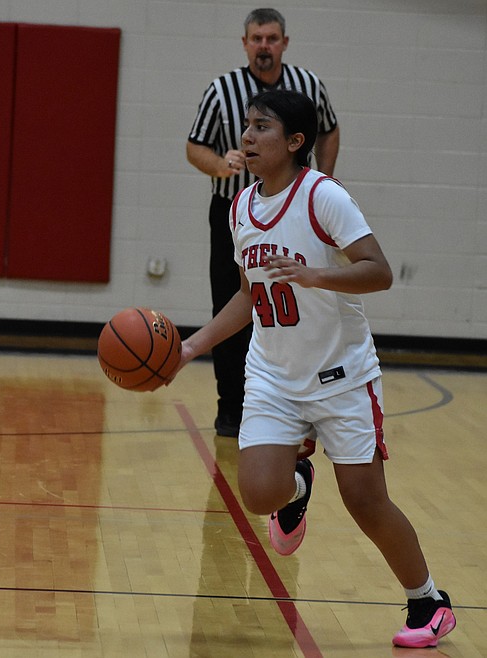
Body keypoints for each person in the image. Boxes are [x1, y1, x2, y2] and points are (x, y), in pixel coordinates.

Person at [174, 88, 456, 648]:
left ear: (294, 141)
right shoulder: (240, 207)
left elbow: (379, 271)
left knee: (365, 500)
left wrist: (316, 275)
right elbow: (248, 296)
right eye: (247, 126)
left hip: (341, 375)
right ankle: (297, 482)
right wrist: (188, 348)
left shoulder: (323, 196)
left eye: (262, 127)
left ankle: (429, 602)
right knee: (258, 494)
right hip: (274, 376)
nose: (247, 137)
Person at [187, 8, 340, 438]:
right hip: (235, 210)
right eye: (257, 38)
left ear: (284, 43)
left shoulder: (309, 85)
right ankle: (232, 406)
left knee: (299, 302)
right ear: (245, 43)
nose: (264, 46)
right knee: (235, 301)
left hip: (296, 211)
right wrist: (220, 165)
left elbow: (329, 130)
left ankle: (303, 399)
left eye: (272, 38)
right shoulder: (221, 90)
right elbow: (194, 147)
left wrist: (325, 178)